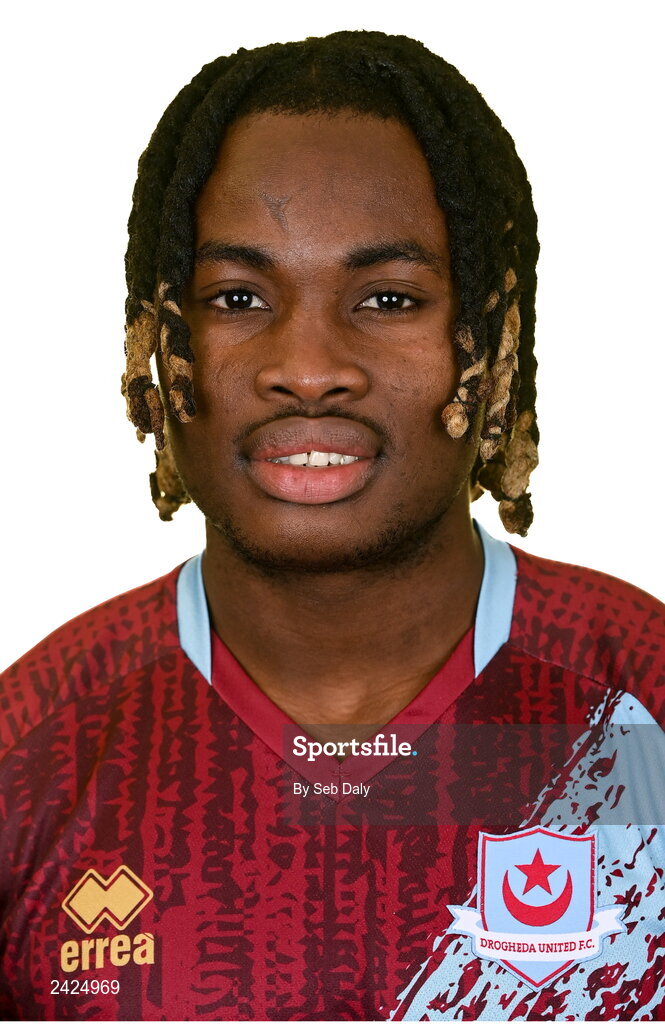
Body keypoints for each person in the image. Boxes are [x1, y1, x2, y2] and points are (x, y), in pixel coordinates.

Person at [0, 29, 663, 1022]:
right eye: (238, 298)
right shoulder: (33, 749)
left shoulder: (639, 707)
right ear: (159, 342)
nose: (307, 367)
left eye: (387, 298)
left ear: (489, 336)